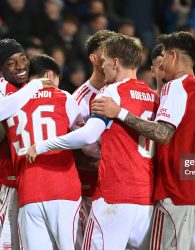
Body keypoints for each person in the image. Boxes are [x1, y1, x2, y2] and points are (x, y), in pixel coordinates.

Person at [26, 34, 159, 249]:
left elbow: (87, 136)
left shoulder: (112, 91)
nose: (103, 66)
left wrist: (43, 145)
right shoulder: (153, 96)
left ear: (115, 62)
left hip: (114, 195)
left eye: (105, 60)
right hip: (146, 199)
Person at [91, 31, 195, 250]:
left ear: (173, 55)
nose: (159, 65)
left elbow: (163, 134)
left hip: (176, 191)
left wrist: (119, 112)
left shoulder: (177, 86)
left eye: (162, 57)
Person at [1, 54, 82, 249]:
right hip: (64, 188)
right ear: (49, 75)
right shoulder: (64, 97)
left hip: (29, 190)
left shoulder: (10, 103)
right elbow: (85, 140)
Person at [0, 38, 52, 250]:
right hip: (9, 178)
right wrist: (36, 85)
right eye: (11, 63)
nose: (21, 66)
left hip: (39, 180)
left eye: (23, 59)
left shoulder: (33, 84)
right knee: (8, 243)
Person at [71, 29, 116, 245]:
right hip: (91, 187)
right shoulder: (78, 99)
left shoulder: (122, 91)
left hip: (122, 186)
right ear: (94, 58)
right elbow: (80, 149)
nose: (114, 58)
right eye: (108, 51)